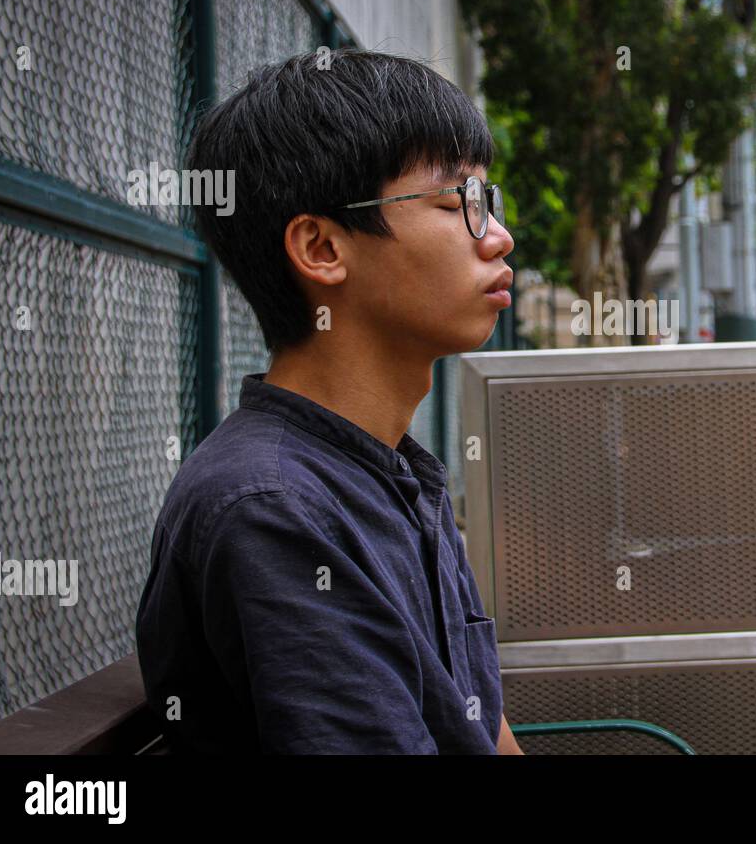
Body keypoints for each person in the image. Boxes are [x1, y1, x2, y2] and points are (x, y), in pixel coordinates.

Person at [136, 49, 521, 754]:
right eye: (456, 203)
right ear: (321, 247)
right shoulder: (276, 510)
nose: (498, 236)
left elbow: (484, 732)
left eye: (486, 202)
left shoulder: (396, 472)